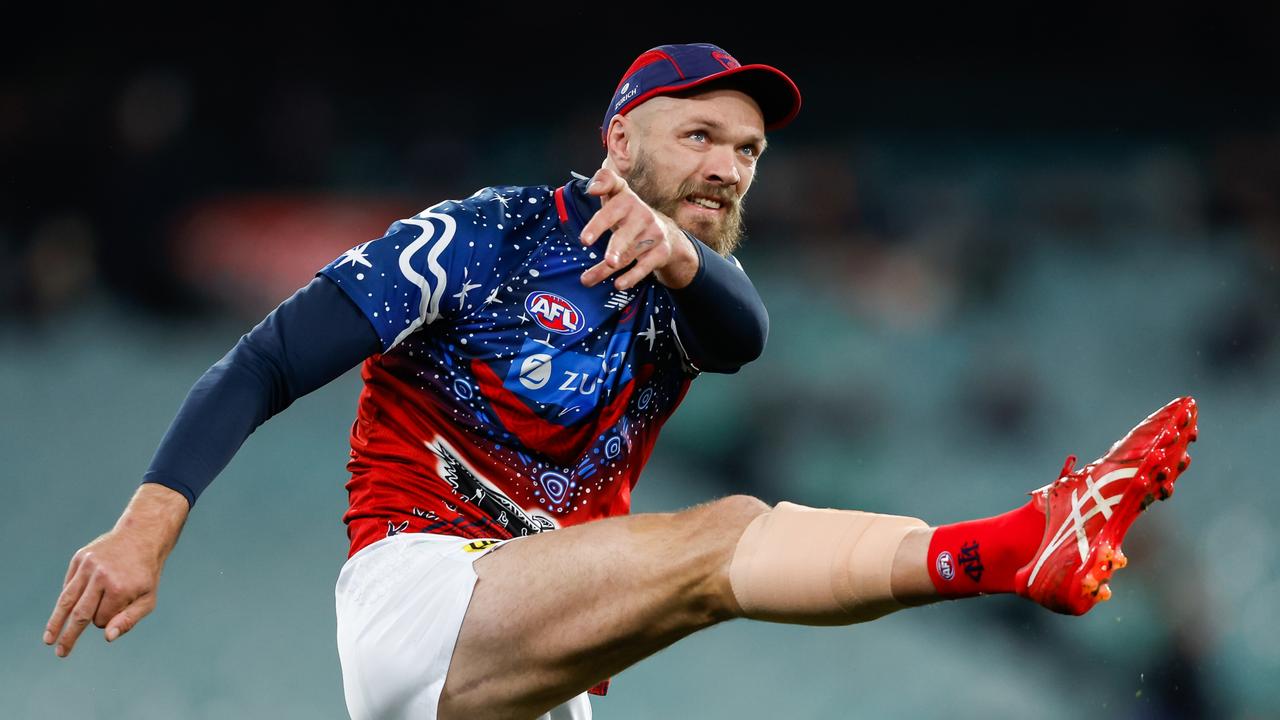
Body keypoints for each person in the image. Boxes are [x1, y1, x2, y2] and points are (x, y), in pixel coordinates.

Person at [43, 43, 1199, 720]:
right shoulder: (485, 237)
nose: (728, 164)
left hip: (554, 653)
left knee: (716, 548)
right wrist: (149, 526)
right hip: (423, 595)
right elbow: (266, 361)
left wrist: (689, 258)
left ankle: (1006, 552)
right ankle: (1001, 550)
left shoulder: (688, 296)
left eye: (746, 152)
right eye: (700, 136)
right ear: (621, 143)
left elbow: (742, 331)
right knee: (724, 537)